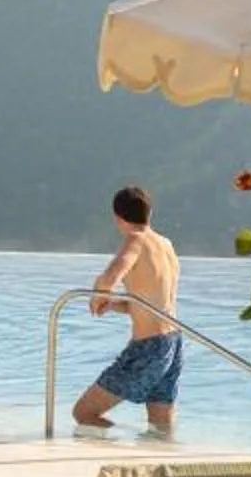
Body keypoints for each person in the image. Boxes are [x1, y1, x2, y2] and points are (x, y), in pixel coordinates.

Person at [72, 184, 183, 433]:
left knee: (84, 413)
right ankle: (158, 454)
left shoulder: (135, 240)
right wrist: (112, 305)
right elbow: (152, 304)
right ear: (149, 213)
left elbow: (110, 277)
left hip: (148, 348)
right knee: (161, 427)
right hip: (173, 343)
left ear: (118, 218)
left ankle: (117, 443)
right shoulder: (166, 244)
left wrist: (98, 295)